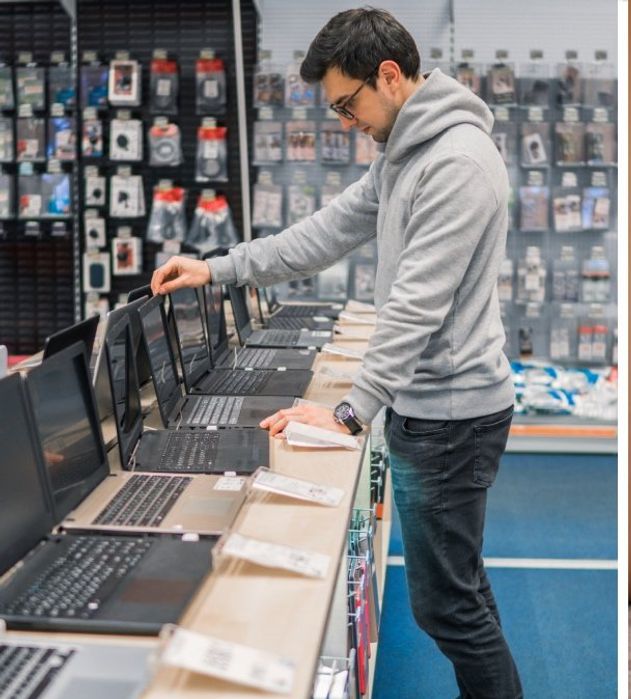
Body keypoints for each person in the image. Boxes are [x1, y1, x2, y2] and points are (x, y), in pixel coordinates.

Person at [149, 8, 522, 697]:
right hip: (430, 409)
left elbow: (417, 303)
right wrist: (220, 266)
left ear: (389, 74)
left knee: (447, 606)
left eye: (349, 104)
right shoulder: (405, 153)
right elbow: (322, 233)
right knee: (458, 593)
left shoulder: (456, 162)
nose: (347, 121)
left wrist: (350, 414)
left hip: (450, 417)